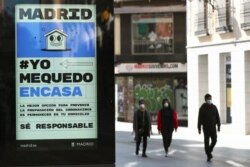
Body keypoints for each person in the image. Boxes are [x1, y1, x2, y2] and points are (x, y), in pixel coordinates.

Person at [198, 93, 221, 162]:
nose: (210, 100)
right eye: (208, 99)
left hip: (213, 128)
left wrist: (219, 125)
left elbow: (217, 117)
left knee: (214, 140)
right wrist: (199, 128)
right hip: (206, 128)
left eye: (210, 99)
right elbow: (199, 119)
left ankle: (208, 152)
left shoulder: (214, 107)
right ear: (205, 100)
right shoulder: (202, 108)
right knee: (206, 142)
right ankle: (209, 155)